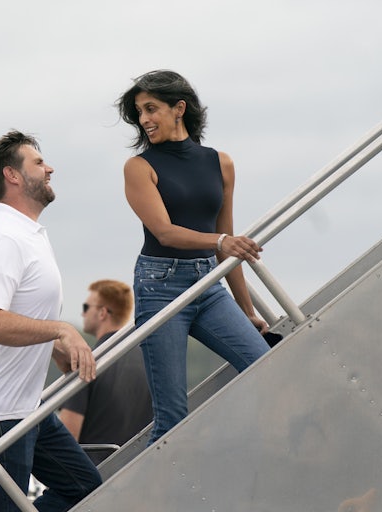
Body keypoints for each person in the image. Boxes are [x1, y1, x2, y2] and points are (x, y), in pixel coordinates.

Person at [116, 70, 271, 444]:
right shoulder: (139, 167)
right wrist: (220, 241)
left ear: (179, 108)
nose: (144, 119)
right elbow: (165, 231)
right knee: (171, 418)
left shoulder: (221, 163)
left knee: (264, 365)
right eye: (139, 111)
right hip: (160, 286)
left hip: (208, 283)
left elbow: (228, 244)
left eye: (151, 108)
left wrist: (248, 310)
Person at [0, 130, 101, 512]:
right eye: (39, 162)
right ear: (12, 176)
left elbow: (17, 313)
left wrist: (53, 346)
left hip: (24, 405)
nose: (50, 168)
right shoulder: (4, 238)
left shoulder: (27, 233)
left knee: (85, 487)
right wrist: (61, 330)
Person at [58, 280, 152, 462]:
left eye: (86, 307)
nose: (82, 313)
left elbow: (67, 437)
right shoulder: (150, 361)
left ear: (102, 313)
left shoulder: (88, 363)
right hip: (141, 469)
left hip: (97, 475)